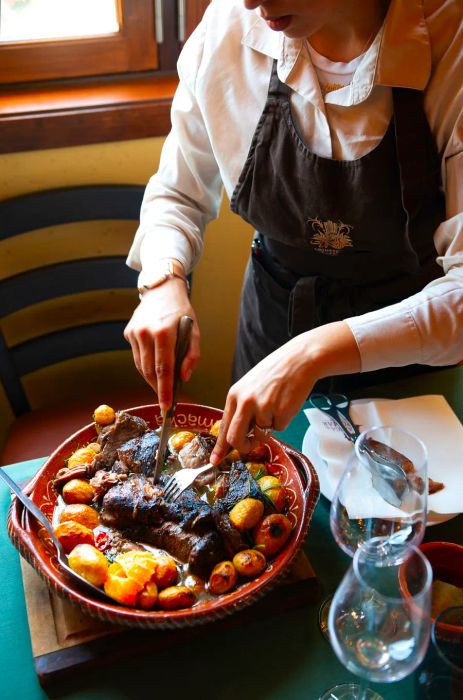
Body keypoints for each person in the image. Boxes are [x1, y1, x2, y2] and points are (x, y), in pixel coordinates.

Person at [124, 0, 463, 466]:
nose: (250, 1)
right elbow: (177, 193)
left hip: (410, 359)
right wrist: (163, 282)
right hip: (271, 329)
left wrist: (315, 350)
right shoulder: (228, 29)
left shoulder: (450, 39)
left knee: (402, 521)